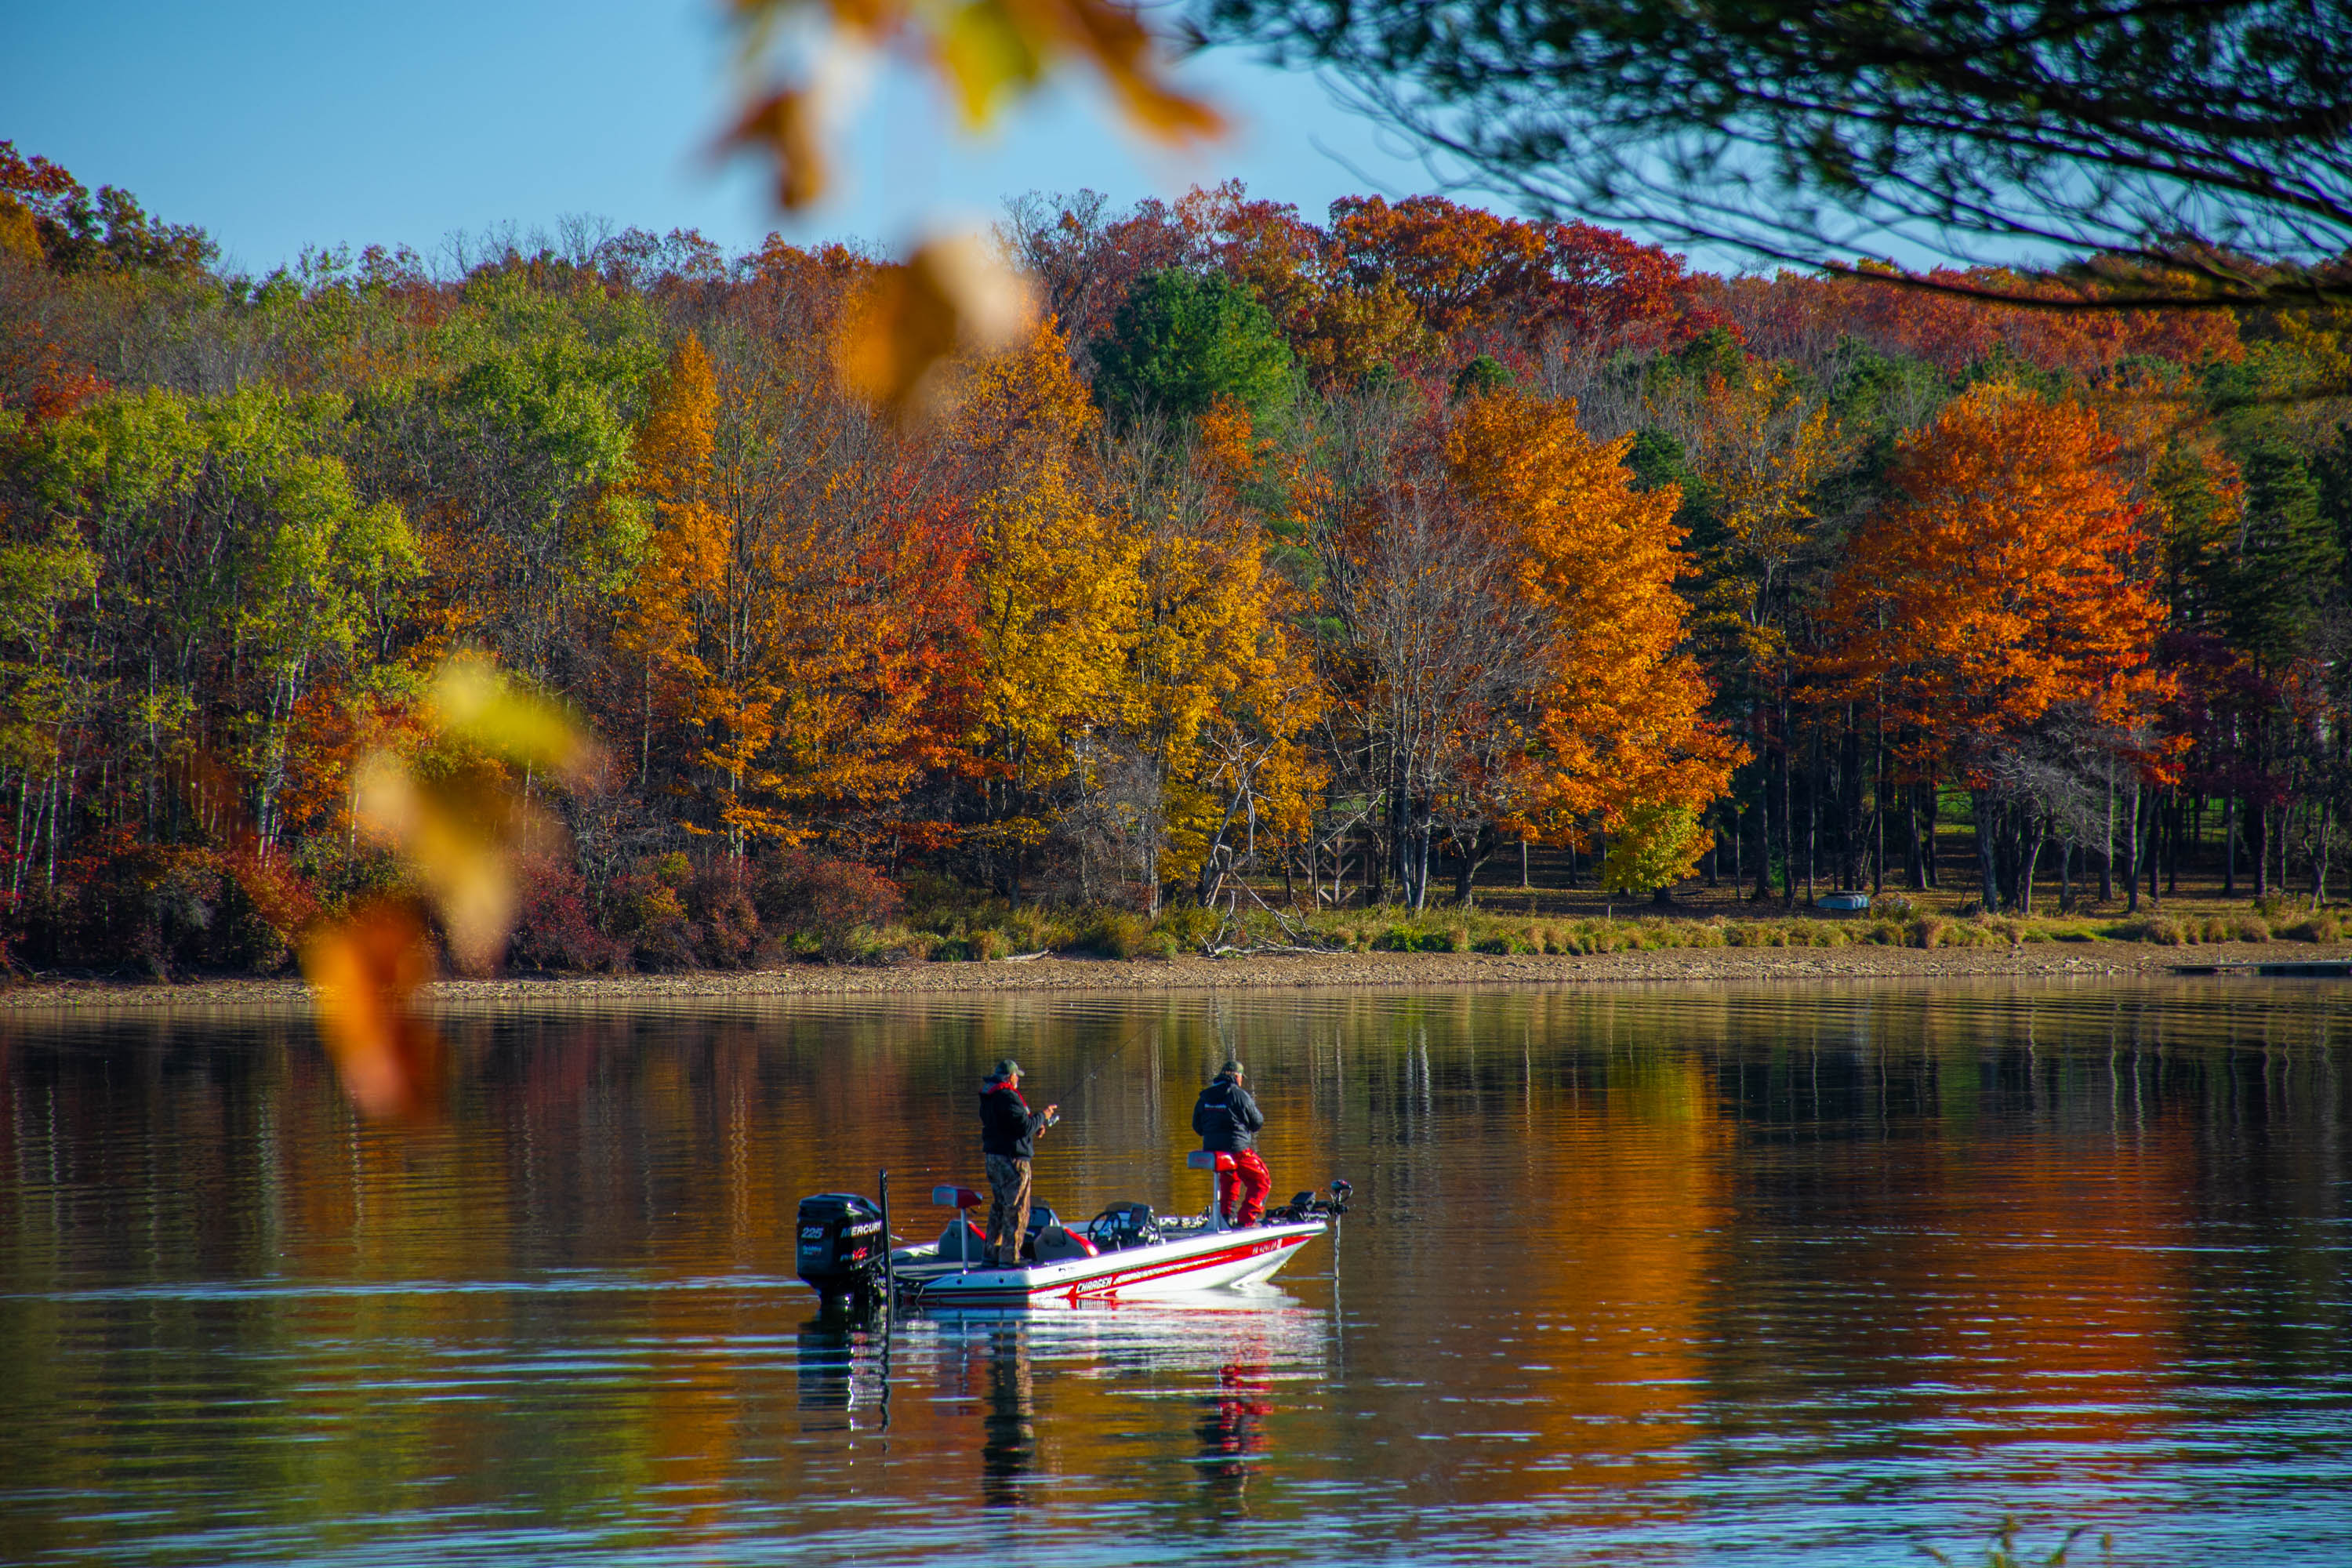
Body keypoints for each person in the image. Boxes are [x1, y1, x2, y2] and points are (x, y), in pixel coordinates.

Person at [977, 1058, 1058, 1268]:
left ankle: (991, 1253)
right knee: (1017, 1208)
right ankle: (1010, 1257)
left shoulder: (990, 1096)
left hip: (993, 1159)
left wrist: (1036, 1124)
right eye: (1017, 1077)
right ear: (1011, 1077)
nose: (1018, 1081)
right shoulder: (1008, 1097)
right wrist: (1044, 1116)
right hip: (1012, 1162)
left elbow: (1016, 1126)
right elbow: (1023, 1127)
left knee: (999, 1206)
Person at [1192, 1058, 1269, 1227]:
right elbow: (1257, 1123)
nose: (1241, 1080)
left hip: (1213, 1151)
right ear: (1236, 1076)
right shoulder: (1239, 1095)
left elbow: (1196, 1126)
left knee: (1230, 1179)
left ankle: (1226, 1218)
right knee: (1261, 1182)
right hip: (1237, 1149)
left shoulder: (1205, 1095)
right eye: (1241, 1076)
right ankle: (1246, 1221)